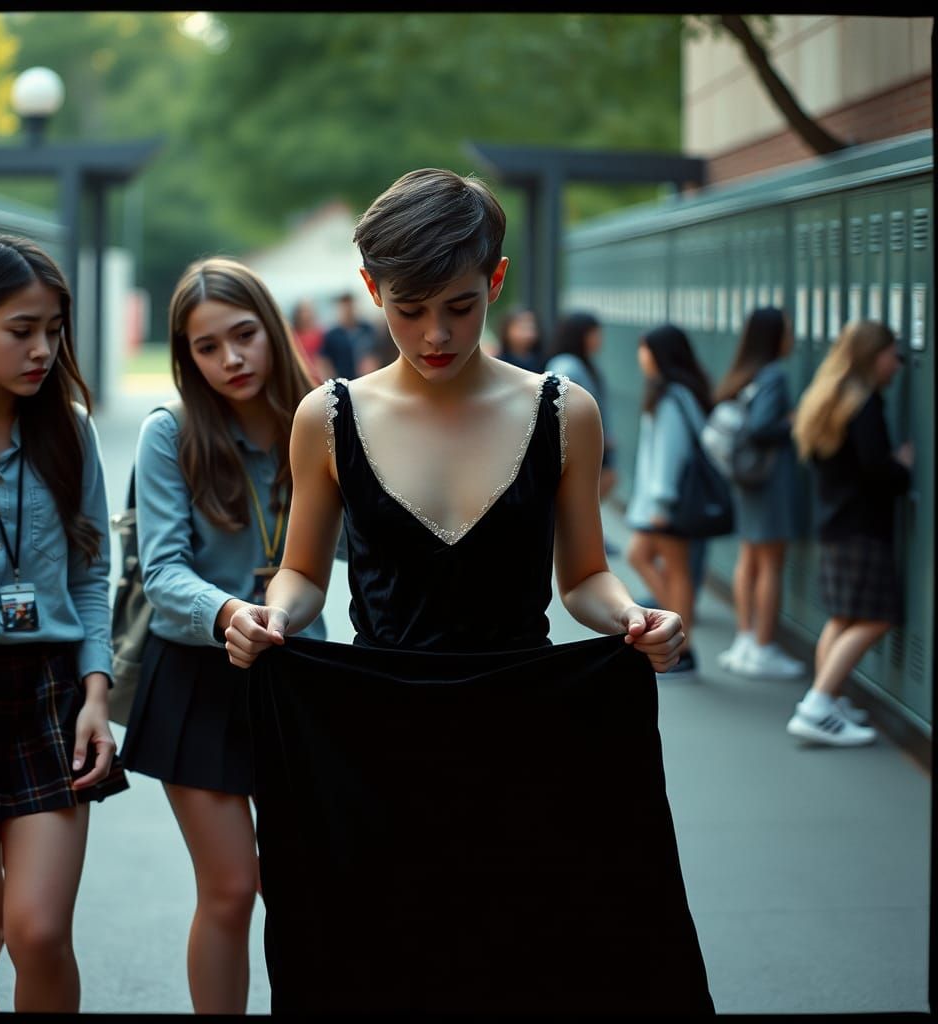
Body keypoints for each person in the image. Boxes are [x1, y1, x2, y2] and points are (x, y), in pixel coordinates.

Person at [223, 168, 713, 1012]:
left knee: (528, 962)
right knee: (390, 965)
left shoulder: (564, 411)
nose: (435, 333)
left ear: (496, 279)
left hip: (527, 735)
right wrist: (270, 614)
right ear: (371, 290)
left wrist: (634, 615)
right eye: (408, 308)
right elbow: (302, 571)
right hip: (377, 745)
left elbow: (584, 575)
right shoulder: (327, 417)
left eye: (459, 304)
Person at [0, 232, 128, 1012]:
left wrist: (98, 692)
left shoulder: (69, 430)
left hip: (52, 694)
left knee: (38, 932)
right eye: (22, 330)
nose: (43, 349)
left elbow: (91, 574)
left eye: (54, 330)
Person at [119, 257, 327, 1013]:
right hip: (198, 675)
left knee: (309, 886)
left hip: (298, 670)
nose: (231, 358)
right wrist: (232, 612)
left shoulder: (320, 421)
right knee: (232, 888)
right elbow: (162, 572)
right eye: (207, 347)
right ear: (187, 356)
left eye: (244, 336)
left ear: (271, 329)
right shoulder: (170, 432)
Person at [787, 319, 912, 747]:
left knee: (843, 618)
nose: (898, 364)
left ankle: (829, 700)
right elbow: (878, 471)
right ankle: (817, 705)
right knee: (876, 617)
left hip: (836, 524)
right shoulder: (864, 404)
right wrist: (903, 467)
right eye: (893, 355)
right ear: (873, 356)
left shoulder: (831, 397)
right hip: (861, 528)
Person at [715, 307, 806, 680]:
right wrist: (793, 422)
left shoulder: (746, 372)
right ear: (774, 337)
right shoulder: (774, 375)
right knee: (770, 562)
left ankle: (745, 641)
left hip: (747, 478)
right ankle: (763, 646)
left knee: (749, 557)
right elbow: (761, 426)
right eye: (788, 331)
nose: (792, 338)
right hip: (767, 482)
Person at [624, 323, 716, 679]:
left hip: (668, 504)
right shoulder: (682, 392)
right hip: (669, 503)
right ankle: (677, 631)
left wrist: (661, 503)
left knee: (675, 571)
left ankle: (683, 647)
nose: (640, 356)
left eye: (645, 349)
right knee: (643, 556)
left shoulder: (672, 398)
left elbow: (670, 453)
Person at [545, 311, 620, 552]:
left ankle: (584, 536)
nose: (599, 339)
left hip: (592, 441)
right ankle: (580, 538)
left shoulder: (583, 363)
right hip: (580, 444)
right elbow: (557, 405)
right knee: (588, 490)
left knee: (600, 485)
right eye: (594, 334)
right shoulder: (566, 365)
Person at [320, 290, 377, 380]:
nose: (348, 311)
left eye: (350, 307)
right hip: (344, 381)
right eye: (345, 308)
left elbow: (375, 353)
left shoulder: (367, 329)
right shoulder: (332, 335)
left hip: (366, 379)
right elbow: (324, 361)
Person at [494, 306, 544, 372]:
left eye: (531, 327)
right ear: (507, 329)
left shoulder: (542, 361)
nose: (527, 332)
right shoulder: (499, 362)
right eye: (522, 327)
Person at [289, 298, 327, 383]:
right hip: (303, 378)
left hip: (321, 378)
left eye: (309, 311)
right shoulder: (293, 337)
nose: (307, 314)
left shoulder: (321, 334)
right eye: (304, 311)